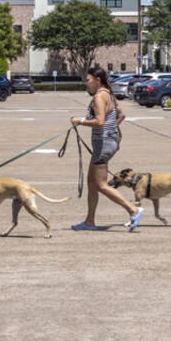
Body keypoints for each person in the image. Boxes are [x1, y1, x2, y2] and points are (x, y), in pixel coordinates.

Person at [70, 65, 140, 231]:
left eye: (88, 80)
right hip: (106, 141)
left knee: (101, 184)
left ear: (97, 80)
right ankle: (89, 221)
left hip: (103, 144)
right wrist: (112, 129)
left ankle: (133, 209)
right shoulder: (109, 94)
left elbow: (99, 121)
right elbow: (121, 114)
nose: (86, 83)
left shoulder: (100, 97)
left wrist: (79, 121)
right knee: (91, 183)